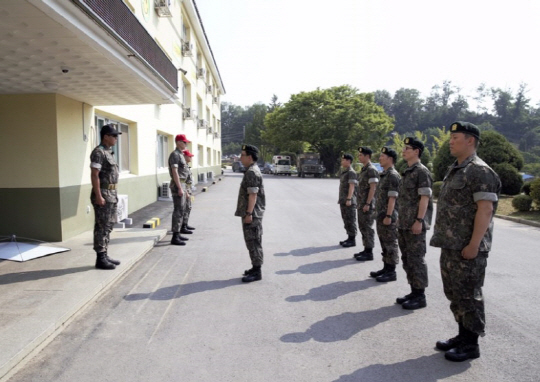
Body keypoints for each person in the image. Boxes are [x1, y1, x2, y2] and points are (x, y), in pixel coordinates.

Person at [430, 122, 501, 362]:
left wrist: (473, 245)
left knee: (469, 295)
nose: (450, 141)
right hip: (451, 245)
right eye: (450, 137)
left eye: (456, 137)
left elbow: (486, 209)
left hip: (468, 247)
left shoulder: (480, 171)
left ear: (470, 140)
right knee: (455, 293)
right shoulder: (456, 169)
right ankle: (462, 336)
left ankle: (471, 344)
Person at [396, 137, 433, 310]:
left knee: (416, 259)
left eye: (407, 148)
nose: (403, 151)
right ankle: (413, 290)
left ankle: (420, 296)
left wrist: (419, 220)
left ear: (416, 151)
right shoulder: (408, 171)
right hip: (404, 223)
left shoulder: (421, 172)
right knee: (407, 259)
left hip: (415, 225)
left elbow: (424, 198)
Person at [90, 124, 122, 270]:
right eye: (114, 135)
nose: (116, 138)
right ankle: (100, 257)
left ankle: (105, 253)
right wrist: (98, 195)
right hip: (103, 194)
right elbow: (94, 175)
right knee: (102, 226)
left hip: (111, 194)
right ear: (106, 137)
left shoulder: (109, 152)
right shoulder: (99, 152)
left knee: (108, 225)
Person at [235, 144, 266, 283]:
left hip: (252, 214)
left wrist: (248, 213)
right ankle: (254, 267)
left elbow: (253, 195)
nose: (240, 157)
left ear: (249, 157)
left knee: (254, 242)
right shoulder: (251, 170)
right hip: (251, 213)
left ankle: (257, 271)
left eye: (242, 155)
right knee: (251, 242)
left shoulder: (252, 172)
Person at [369, 147, 400, 282]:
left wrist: (388, 215)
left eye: (383, 156)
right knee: (384, 243)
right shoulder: (384, 174)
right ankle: (386, 267)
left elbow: (392, 198)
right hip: (381, 215)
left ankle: (391, 271)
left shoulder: (393, 175)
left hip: (388, 217)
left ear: (390, 159)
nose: (380, 158)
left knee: (390, 243)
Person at [354, 147, 379, 261]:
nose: (359, 157)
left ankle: (369, 252)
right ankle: (366, 249)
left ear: (367, 156)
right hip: (361, 203)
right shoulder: (364, 169)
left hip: (367, 205)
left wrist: (368, 203)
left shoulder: (371, 170)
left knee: (367, 227)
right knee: (362, 226)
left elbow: (373, 188)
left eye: (361, 155)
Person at [169, 134, 191, 246]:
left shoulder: (181, 155)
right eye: (184, 142)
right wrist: (179, 187)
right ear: (178, 142)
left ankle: (178, 232)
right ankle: (175, 236)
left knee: (182, 210)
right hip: (178, 185)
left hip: (182, 185)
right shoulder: (175, 155)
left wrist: (185, 189)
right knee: (178, 210)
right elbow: (175, 172)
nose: (186, 144)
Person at [338, 154, 358, 248]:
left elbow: (352, 186)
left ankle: (352, 239)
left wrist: (349, 198)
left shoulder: (351, 172)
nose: (342, 162)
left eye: (343, 160)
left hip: (349, 201)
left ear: (348, 161)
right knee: (346, 219)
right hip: (343, 200)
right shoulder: (345, 172)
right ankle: (349, 237)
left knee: (350, 220)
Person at [181, 149, 196, 233]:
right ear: (185, 156)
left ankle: (185, 224)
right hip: (186, 190)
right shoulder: (183, 167)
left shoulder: (186, 166)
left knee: (188, 208)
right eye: (189, 156)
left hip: (189, 190)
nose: (191, 157)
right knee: (184, 208)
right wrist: (186, 191)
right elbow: (183, 180)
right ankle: (182, 227)